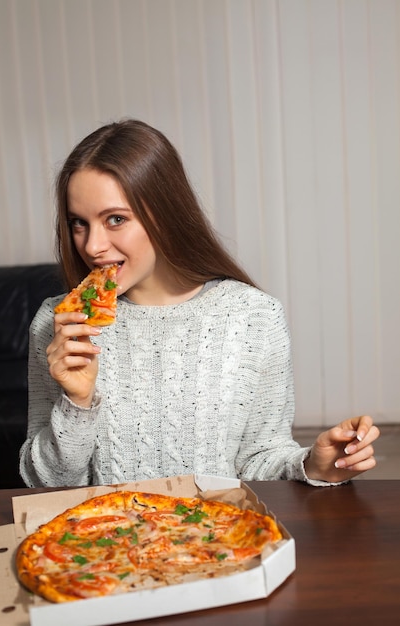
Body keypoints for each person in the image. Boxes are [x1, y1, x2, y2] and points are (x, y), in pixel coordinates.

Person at [19, 118, 380, 488]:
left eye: (115, 219)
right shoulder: (57, 323)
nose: (92, 246)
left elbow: (260, 458)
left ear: (166, 214)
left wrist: (314, 466)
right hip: (105, 541)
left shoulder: (254, 317)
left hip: (215, 539)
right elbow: (44, 485)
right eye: (79, 223)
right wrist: (77, 403)